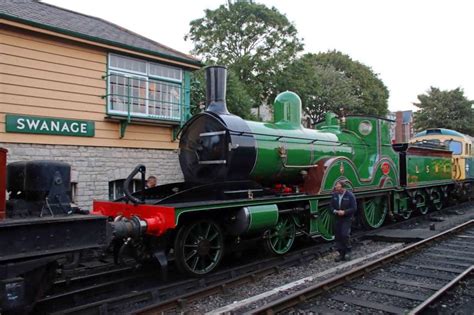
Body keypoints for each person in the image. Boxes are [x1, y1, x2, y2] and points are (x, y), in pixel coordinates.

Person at [330, 180, 357, 262]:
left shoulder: (350, 195)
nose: (336, 189)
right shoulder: (334, 195)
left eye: (338, 187)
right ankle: (341, 253)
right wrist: (335, 211)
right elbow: (331, 207)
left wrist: (345, 212)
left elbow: (354, 208)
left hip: (347, 218)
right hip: (338, 217)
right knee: (338, 235)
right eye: (336, 187)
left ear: (343, 188)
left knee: (344, 234)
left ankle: (348, 251)